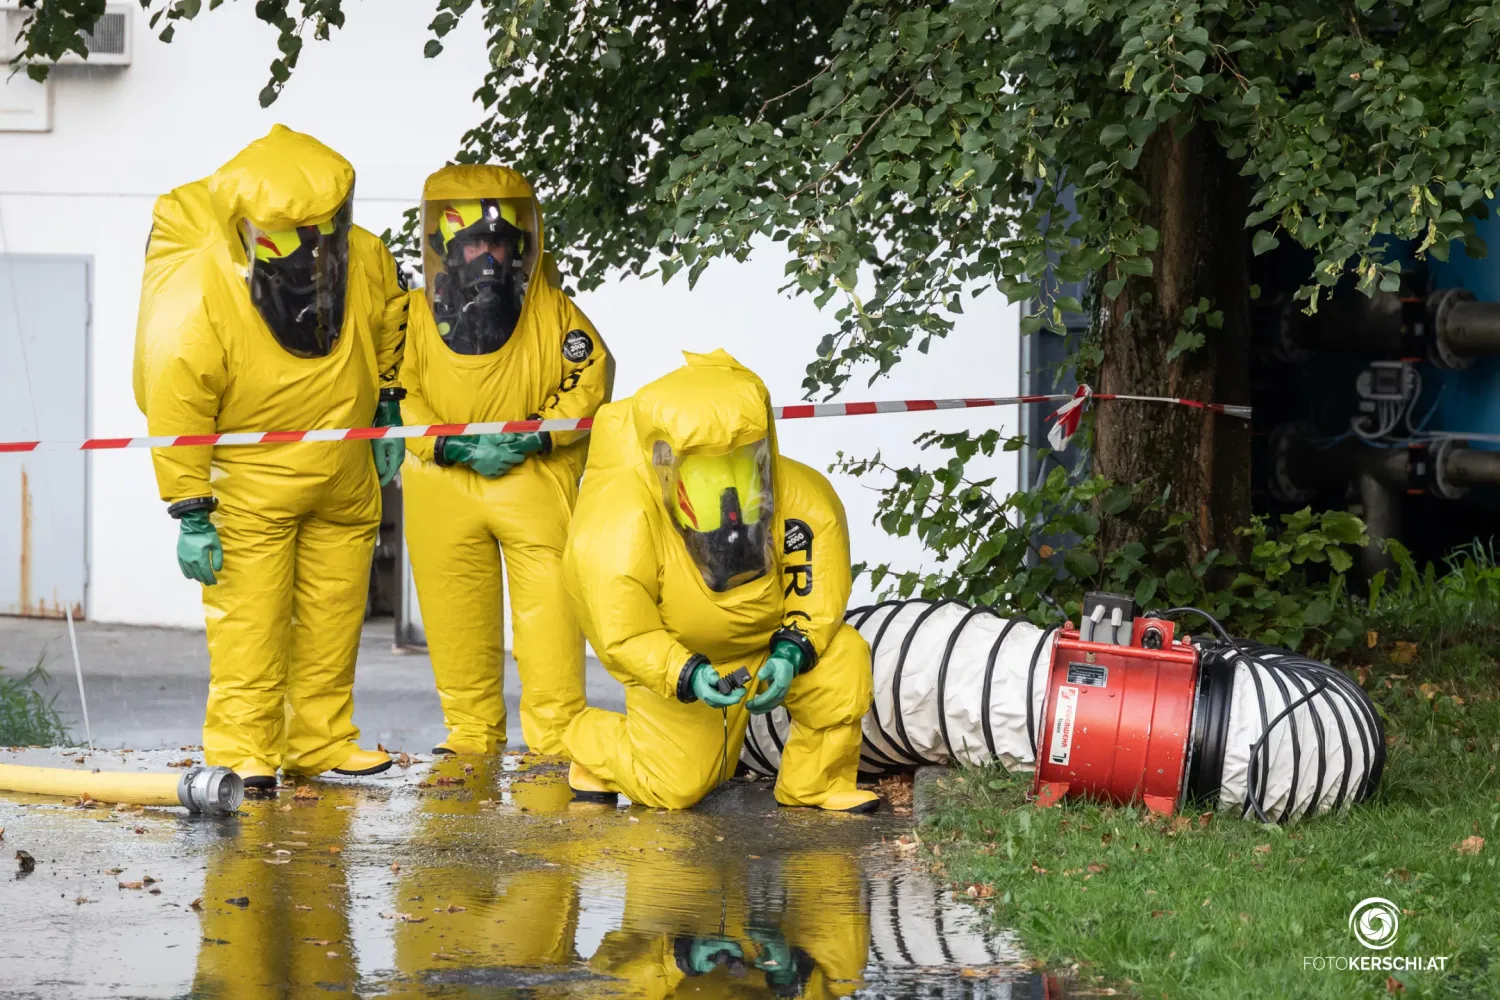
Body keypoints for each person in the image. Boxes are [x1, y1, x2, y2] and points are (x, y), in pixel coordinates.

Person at [134, 125, 409, 789]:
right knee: (250, 629)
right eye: (291, 236)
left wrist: (390, 405)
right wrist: (192, 509)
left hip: (342, 477)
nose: (311, 251)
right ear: (248, 230)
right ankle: (243, 752)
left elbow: (388, 321)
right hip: (250, 488)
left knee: (333, 616)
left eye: (322, 232)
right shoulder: (201, 292)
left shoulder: (363, 257)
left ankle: (320, 739)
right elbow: (178, 401)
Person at [561, 350, 878, 812]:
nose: (730, 486)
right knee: (676, 788)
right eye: (709, 464)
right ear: (666, 462)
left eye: (742, 457)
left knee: (843, 654)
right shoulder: (621, 524)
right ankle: (593, 746)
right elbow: (625, 633)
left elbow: (818, 593)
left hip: (770, 643)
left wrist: (792, 652)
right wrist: (685, 673)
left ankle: (817, 782)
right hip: (682, 653)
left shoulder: (805, 500)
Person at [399, 164, 612, 756]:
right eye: (474, 242)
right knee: (455, 620)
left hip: (532, 483)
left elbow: (590, 380)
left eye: (497, 241)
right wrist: (451, 445)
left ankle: (557, 742)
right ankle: (470, 738)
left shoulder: (554, 311)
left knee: (550, 623)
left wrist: (533, 438)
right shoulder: (416, 316)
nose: (487, 255)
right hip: (444, 484)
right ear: (450, 247)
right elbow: (398, 393)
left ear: (519, 244)